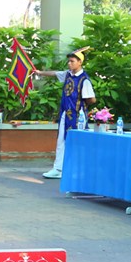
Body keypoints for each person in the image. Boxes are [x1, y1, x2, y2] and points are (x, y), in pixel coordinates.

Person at [34, 47, 96, 179]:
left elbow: (91, 99)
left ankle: (76, 169)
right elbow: (55, 73)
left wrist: (80, 105)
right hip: (65, 113)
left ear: (80, 62)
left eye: (72, 61)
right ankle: (58, 168)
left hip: (77, 116)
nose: (69, 63)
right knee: (61, 141)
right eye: (69, 61)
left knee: (76, 142)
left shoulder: (84, 80)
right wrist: (40, 72)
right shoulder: (68, 74)